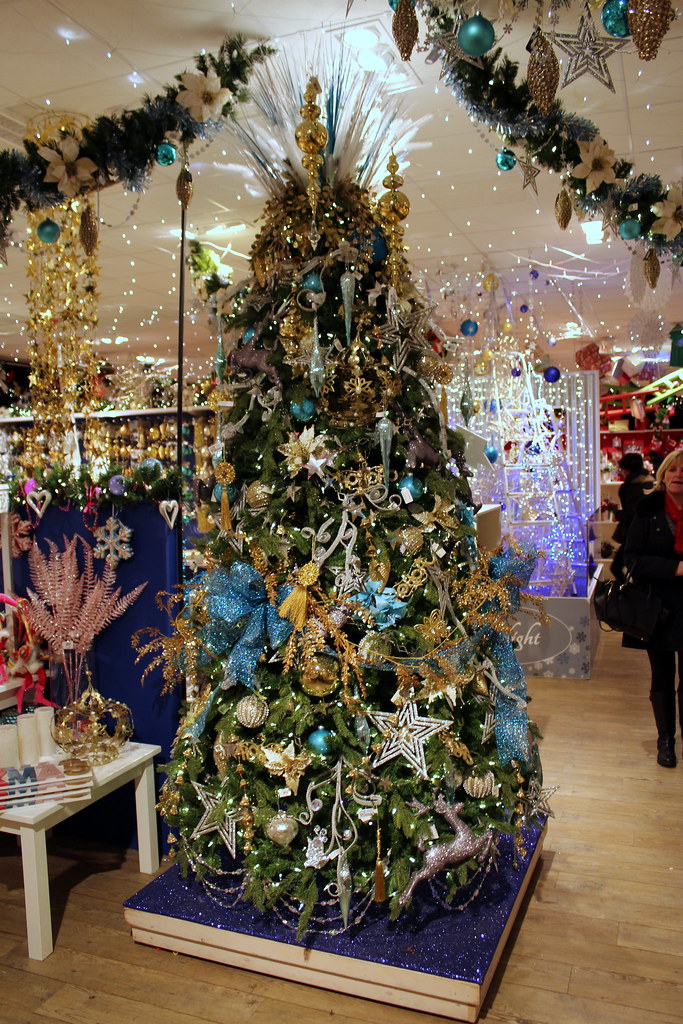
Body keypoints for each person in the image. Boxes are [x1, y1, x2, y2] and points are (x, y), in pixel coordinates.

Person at [623, 449, 683, 767]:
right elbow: (631, 559)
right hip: (657, 608)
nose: (678, 474)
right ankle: (666, 741)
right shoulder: (647, 510)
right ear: (662, 474)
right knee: (662, 676)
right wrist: (675, 569)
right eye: (672, 469)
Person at [610, 452, 653, 580]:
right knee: (638, 568)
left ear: (626, 470)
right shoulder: (649, 483)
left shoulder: (629, 487)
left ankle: (630, 595)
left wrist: (618, 514)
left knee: (617, 567)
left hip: (633, 533)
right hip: (649, 533)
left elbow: (632, 512)